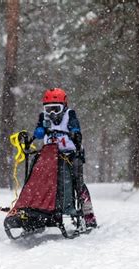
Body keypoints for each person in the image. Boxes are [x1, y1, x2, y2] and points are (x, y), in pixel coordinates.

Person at [32, 88, 97, 228]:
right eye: (48, 109)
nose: (52, 113)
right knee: (47, 184)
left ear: (64, 106)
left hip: (71, 154)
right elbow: (38, 132)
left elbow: (75, 127)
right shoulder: (44, 117)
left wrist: (75, 133)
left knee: (77, 184)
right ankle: (47, 211)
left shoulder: (70, 114)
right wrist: (39, 131)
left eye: (56, 109)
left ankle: (88, 216)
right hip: (51, 156)